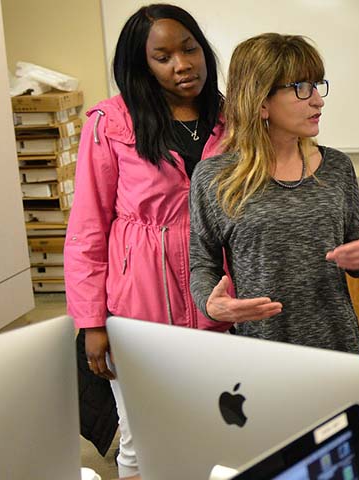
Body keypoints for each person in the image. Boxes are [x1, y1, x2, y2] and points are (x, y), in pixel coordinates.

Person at [63, 4, 228, 476]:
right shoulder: (110, 123)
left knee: (217, 427)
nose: (182, 64)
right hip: (139, 304)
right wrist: (91, 322)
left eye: (190, 49)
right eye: (163, 56)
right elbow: (87, 230)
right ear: (141, 64)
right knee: (142, 437)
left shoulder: (230, 118)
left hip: (217, 295)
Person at [189, 33, 359, 354]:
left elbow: (358, 259)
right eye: (301, 88)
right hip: (262, 355)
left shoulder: (337, 168)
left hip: (337, 349)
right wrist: (211, 305)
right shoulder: (214, 177)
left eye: (317, 85)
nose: (317, 99)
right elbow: (203, 263)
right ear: (261, 102)